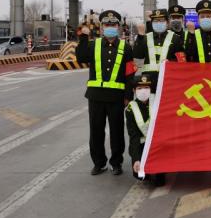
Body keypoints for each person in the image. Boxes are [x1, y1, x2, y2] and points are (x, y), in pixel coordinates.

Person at [76, 10, 136, 176]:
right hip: (96, 96)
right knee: (96, 131)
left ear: (118, 27)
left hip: (117, 97)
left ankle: (116, 163)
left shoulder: (126, 47)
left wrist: (128, 96)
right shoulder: (93, 45)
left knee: (117, 132)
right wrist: (83, 37)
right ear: (101, 28)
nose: (110, 27)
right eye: (107, 25)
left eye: (113, 24)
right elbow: (80, 57)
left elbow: (130, 74)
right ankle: (99, 163)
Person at [125, 74, 165, 186]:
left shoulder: (158, 102)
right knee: (140, 175)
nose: (143, 91)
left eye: (146, 87)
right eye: (139, 88)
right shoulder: (130, 109)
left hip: (159, 145)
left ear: (150, 89)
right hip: (142, 145)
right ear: (134, 90)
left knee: (160, 181)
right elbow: (133, 137)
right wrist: (136, 159)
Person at [133, 9, 185, 91]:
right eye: (156, 21)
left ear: (167, 22)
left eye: (161, 21)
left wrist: (171, 62)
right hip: (148, 82)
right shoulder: (145, 37)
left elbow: (181, 60)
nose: (158, 23)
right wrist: (140, 37)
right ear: (152, 23)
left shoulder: (175, 38)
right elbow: (138, 55)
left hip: (168, 80)